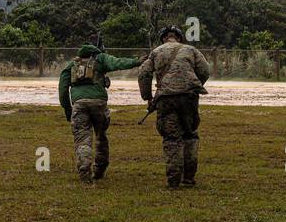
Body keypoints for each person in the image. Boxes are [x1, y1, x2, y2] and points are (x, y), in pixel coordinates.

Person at [58, 43, 142, 184]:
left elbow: (62, 90)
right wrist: (137, 61)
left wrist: (68, 109)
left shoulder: (71, 65)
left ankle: (84, 167)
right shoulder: (100, 59)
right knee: (101, 136)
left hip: (79, 104)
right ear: (94, 54)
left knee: (82, 138)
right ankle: (100, 169)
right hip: (99, 103)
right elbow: (118, 62)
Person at [138, 26, 211, 188]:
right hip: (189, 98)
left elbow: (143, 73)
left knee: (171, 138)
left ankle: (173, 180)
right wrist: (193, 85)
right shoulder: (191, 50)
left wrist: (148, 98)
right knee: (190, 135)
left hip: (166, 99)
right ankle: (189, 178)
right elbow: (205, 70)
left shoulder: (156, 52)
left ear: (163, 38)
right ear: (179, 38)